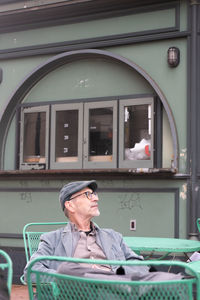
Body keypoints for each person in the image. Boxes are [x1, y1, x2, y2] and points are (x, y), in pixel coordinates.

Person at [23, 180, 182, 282]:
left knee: (172, 281)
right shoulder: (52, 239)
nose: (96, 198)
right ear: (70, 205)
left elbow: (137, 263)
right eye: (88, 195)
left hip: (117, 289)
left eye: (94, 194)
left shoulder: (113, 236)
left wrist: (117, 276)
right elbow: (31, 271)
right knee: (68, 269)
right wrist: (66, 278)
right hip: (77, 291)